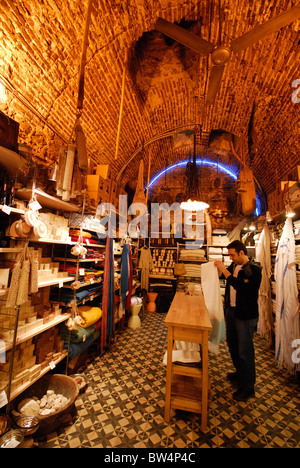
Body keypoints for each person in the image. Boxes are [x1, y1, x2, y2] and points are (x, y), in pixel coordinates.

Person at [214, 240, 262, 401]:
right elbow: (223, 275)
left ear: (242, 253)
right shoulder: (234, 266)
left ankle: (248, 387)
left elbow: (241, 286)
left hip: (245, 315)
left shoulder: (253, 270)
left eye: (232, 255)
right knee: (233, 344)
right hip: (232, 311)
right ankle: (239, 373)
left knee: (245, 351)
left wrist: (224, 271)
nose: (231, 258)